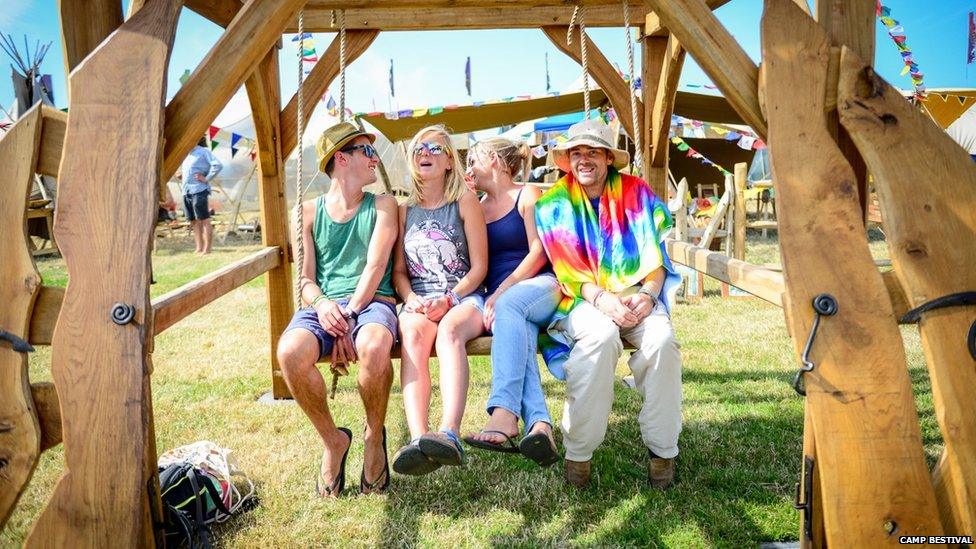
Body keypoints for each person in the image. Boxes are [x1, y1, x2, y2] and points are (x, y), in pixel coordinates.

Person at [534, 119, 683, 489]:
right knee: (599, 338)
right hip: (581, 297)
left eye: (593, 152)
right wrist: (603, 300)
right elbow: (568, 273)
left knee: (662, 343)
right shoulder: (553, 203)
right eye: (577, 153)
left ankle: (663, 451)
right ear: (568, 160)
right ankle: (579, 455)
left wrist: (648, 296)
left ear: (607, 159)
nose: (584, 159)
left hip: (638, 292)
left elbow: (658, 257)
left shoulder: (637, 191)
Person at [276, 122, 399, 497]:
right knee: (290, 352)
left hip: (373, 300)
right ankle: (333, 441)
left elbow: (376, 267)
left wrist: (348, 315)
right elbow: (306, 279)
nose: (375, 158)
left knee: (375, 346)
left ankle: (373, 435)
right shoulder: (307, 212)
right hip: (326, 305)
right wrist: (324, 305)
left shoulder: (383, 204)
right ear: (341, 158)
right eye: (367, 150)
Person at [391, 125, 488, 476]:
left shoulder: (464, 203)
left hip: (463, 296)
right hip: (420, 298)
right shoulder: (405, 210)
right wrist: (411, 297)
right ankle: (419, 440)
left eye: (434, 148)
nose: (424, 153)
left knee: (448, 332)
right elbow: (400, 271)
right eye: (418, 148)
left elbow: (480, 268)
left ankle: (449, 432)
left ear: (450, 161)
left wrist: (450, 298)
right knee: (413, 336)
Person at [460, 137, 562, 467]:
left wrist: (503, 289)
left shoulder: (527, 195)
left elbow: (539, 251)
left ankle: (504, 412)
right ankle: (540, 425)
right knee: (517, 328)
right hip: (505, 303)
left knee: (510, 308)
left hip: (541, 286)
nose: (468, 168)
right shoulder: (473, 203)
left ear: (493, 160)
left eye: (473, 160)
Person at [180, 137, 223, 254]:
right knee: (193, 221)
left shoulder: (203, 151)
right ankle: (199, 248)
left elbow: (218, 165)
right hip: (187, 191)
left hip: (199, 190)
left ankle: (207, 249)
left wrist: (206, 178)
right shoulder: (186, 155)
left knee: (204, 219)